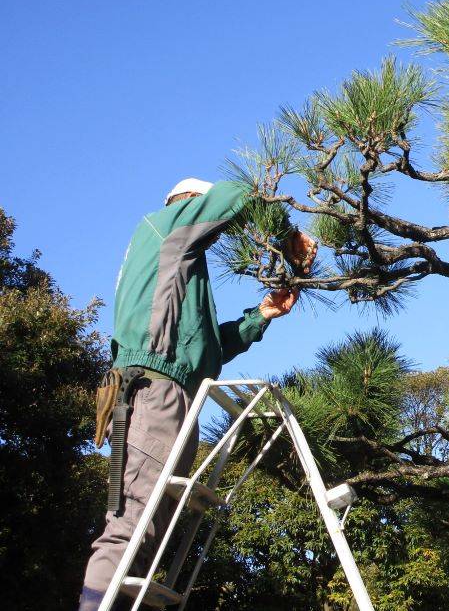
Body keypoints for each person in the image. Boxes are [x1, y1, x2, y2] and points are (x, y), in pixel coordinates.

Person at [78, 177, 316, 611]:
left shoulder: (178, 269)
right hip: (155, 395)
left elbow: (204, 351)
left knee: (150, 535)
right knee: (130, 525)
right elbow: (235, 195)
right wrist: (286, 235)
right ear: (187, 205)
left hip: (177, 395)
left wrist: (260, 316)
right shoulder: (164, 227)